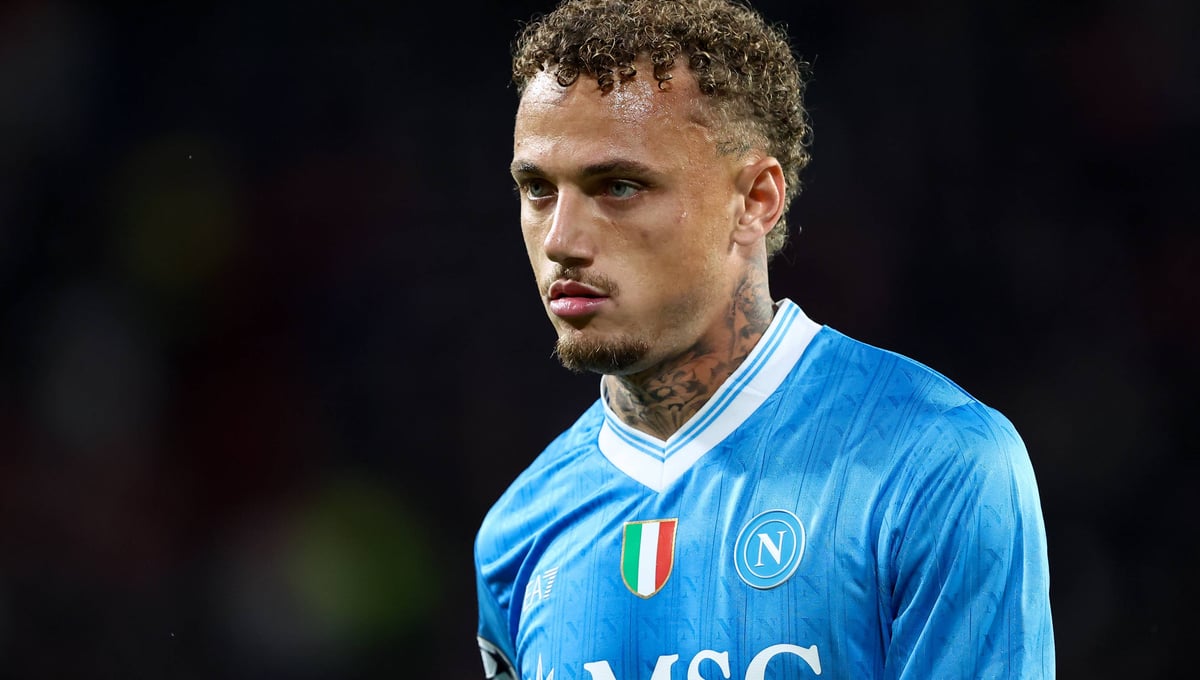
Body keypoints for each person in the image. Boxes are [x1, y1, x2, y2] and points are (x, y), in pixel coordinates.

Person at [475, 0, 1055, 677]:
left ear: (755, 200)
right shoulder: (518, 535)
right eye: (538, 189)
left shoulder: (932, 463)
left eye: (620, 186)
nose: (560, 240)